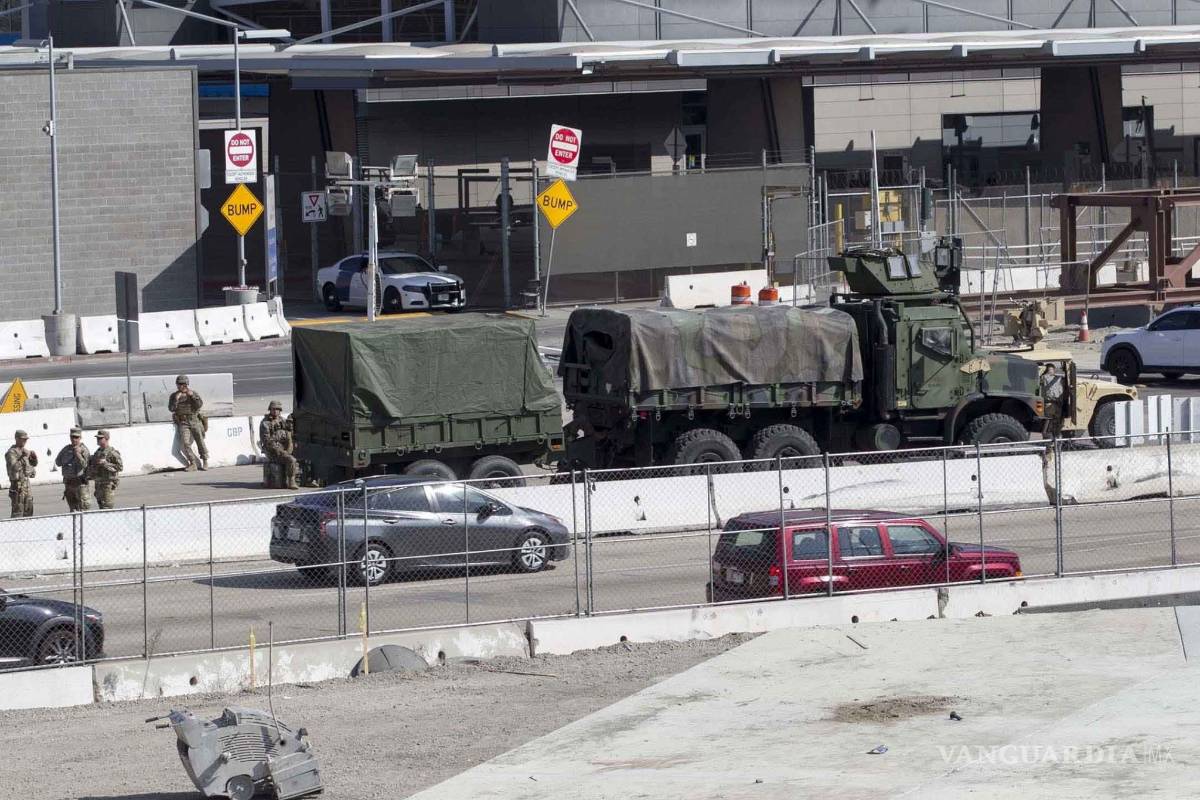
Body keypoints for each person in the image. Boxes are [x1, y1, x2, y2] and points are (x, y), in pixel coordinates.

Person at [169, 374, 208, 471]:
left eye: (183, 384)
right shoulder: (174, 395)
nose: (181, 386)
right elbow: (171, 409)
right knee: (185, 443)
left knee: (200, 441)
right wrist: (176, 400)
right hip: (183, 422)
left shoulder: (193, 393)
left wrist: (193, 396)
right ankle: (193, 463)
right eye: (179, 384)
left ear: (187, 384)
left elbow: (199, 405)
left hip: (194, 420)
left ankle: (205, 461)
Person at [259, 401, 299, 489]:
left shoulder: (283, 421)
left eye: (278, 409)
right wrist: (281, 452)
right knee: (291, 460)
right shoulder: (265, 423)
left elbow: (289, 436)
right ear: (270, 409)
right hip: (272, 451)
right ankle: (291, 482)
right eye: (274, 409)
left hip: (284, 449)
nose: (276, 411)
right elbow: (267, 442)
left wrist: (290, 447)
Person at [55, 427, 91, 512]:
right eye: (72, 437)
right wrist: (68, 457)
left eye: (76, 437)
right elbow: (58, 462)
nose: (74, 439)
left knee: (83, 510)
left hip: (80, 485)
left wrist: (78, 454)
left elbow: (85, 465)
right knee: (73, 510)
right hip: (69, 484)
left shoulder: (84, 450)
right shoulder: (66, 449)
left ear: (80, 438)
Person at [87, 430, 123, 510]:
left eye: (100, 438)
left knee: (107, 508)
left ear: (106, 439)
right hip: (99, 485)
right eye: (97, 438)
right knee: (101, 507)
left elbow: (120, 467)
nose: (98, 440)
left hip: (108, 485)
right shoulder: (98, 452)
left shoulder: (112, 453)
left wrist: (106, 464)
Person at [5, 430, 38, 518]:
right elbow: (14, 468)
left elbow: (33, 465)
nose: (25, 441)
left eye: (26, 439)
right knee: (17, 512)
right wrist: (23, 457)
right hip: (17, 486)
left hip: (26, 484)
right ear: (16, 439)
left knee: (29, 510)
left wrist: (34, 458)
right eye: (23, 439)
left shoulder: (25, 451)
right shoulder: (11, 452)